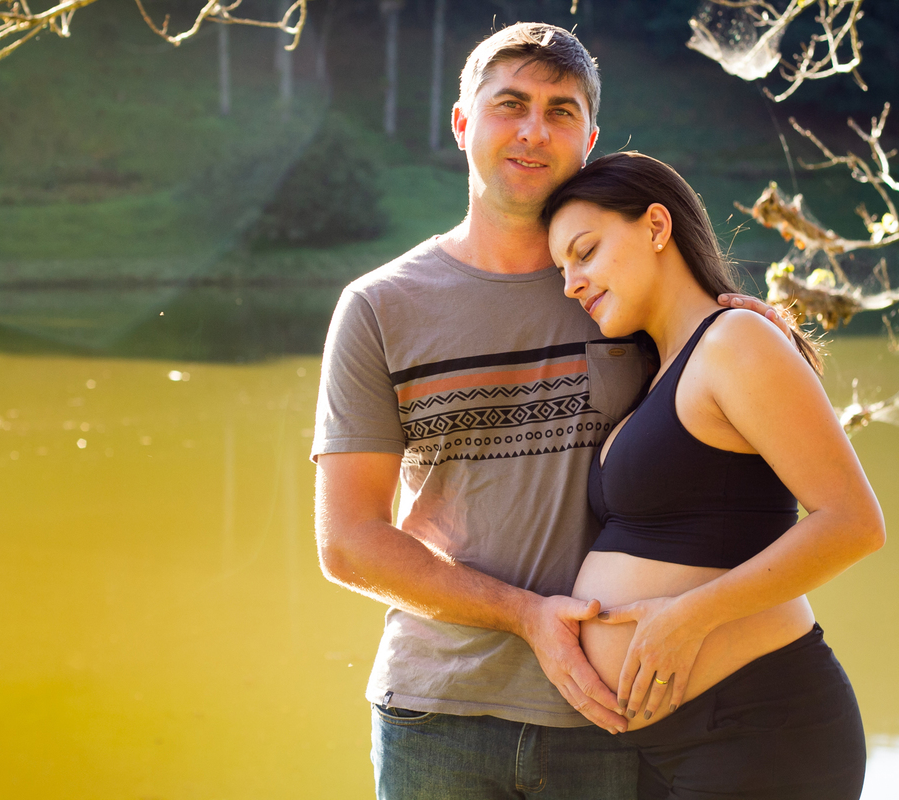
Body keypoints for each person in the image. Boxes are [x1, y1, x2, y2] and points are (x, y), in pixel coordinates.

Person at [312, 22, 787, 799]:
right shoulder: (377, 307)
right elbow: (349, 542)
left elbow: (748, 460)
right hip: (436, 715)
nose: (534, 130)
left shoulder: (626, 294)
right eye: (511, 105)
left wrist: (727, 322)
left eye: (561, 111)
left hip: (617, 713)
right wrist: (527, 615)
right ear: (464, 123)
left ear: (589, 139)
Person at [542, 151, 885, 799]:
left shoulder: (733, 341)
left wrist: (687, 619)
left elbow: (855, 525)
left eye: (584, 252)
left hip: (760, 730)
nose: (571, 283)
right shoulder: (659, 374)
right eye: (562, 268)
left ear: (655, 227)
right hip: (671, 749)